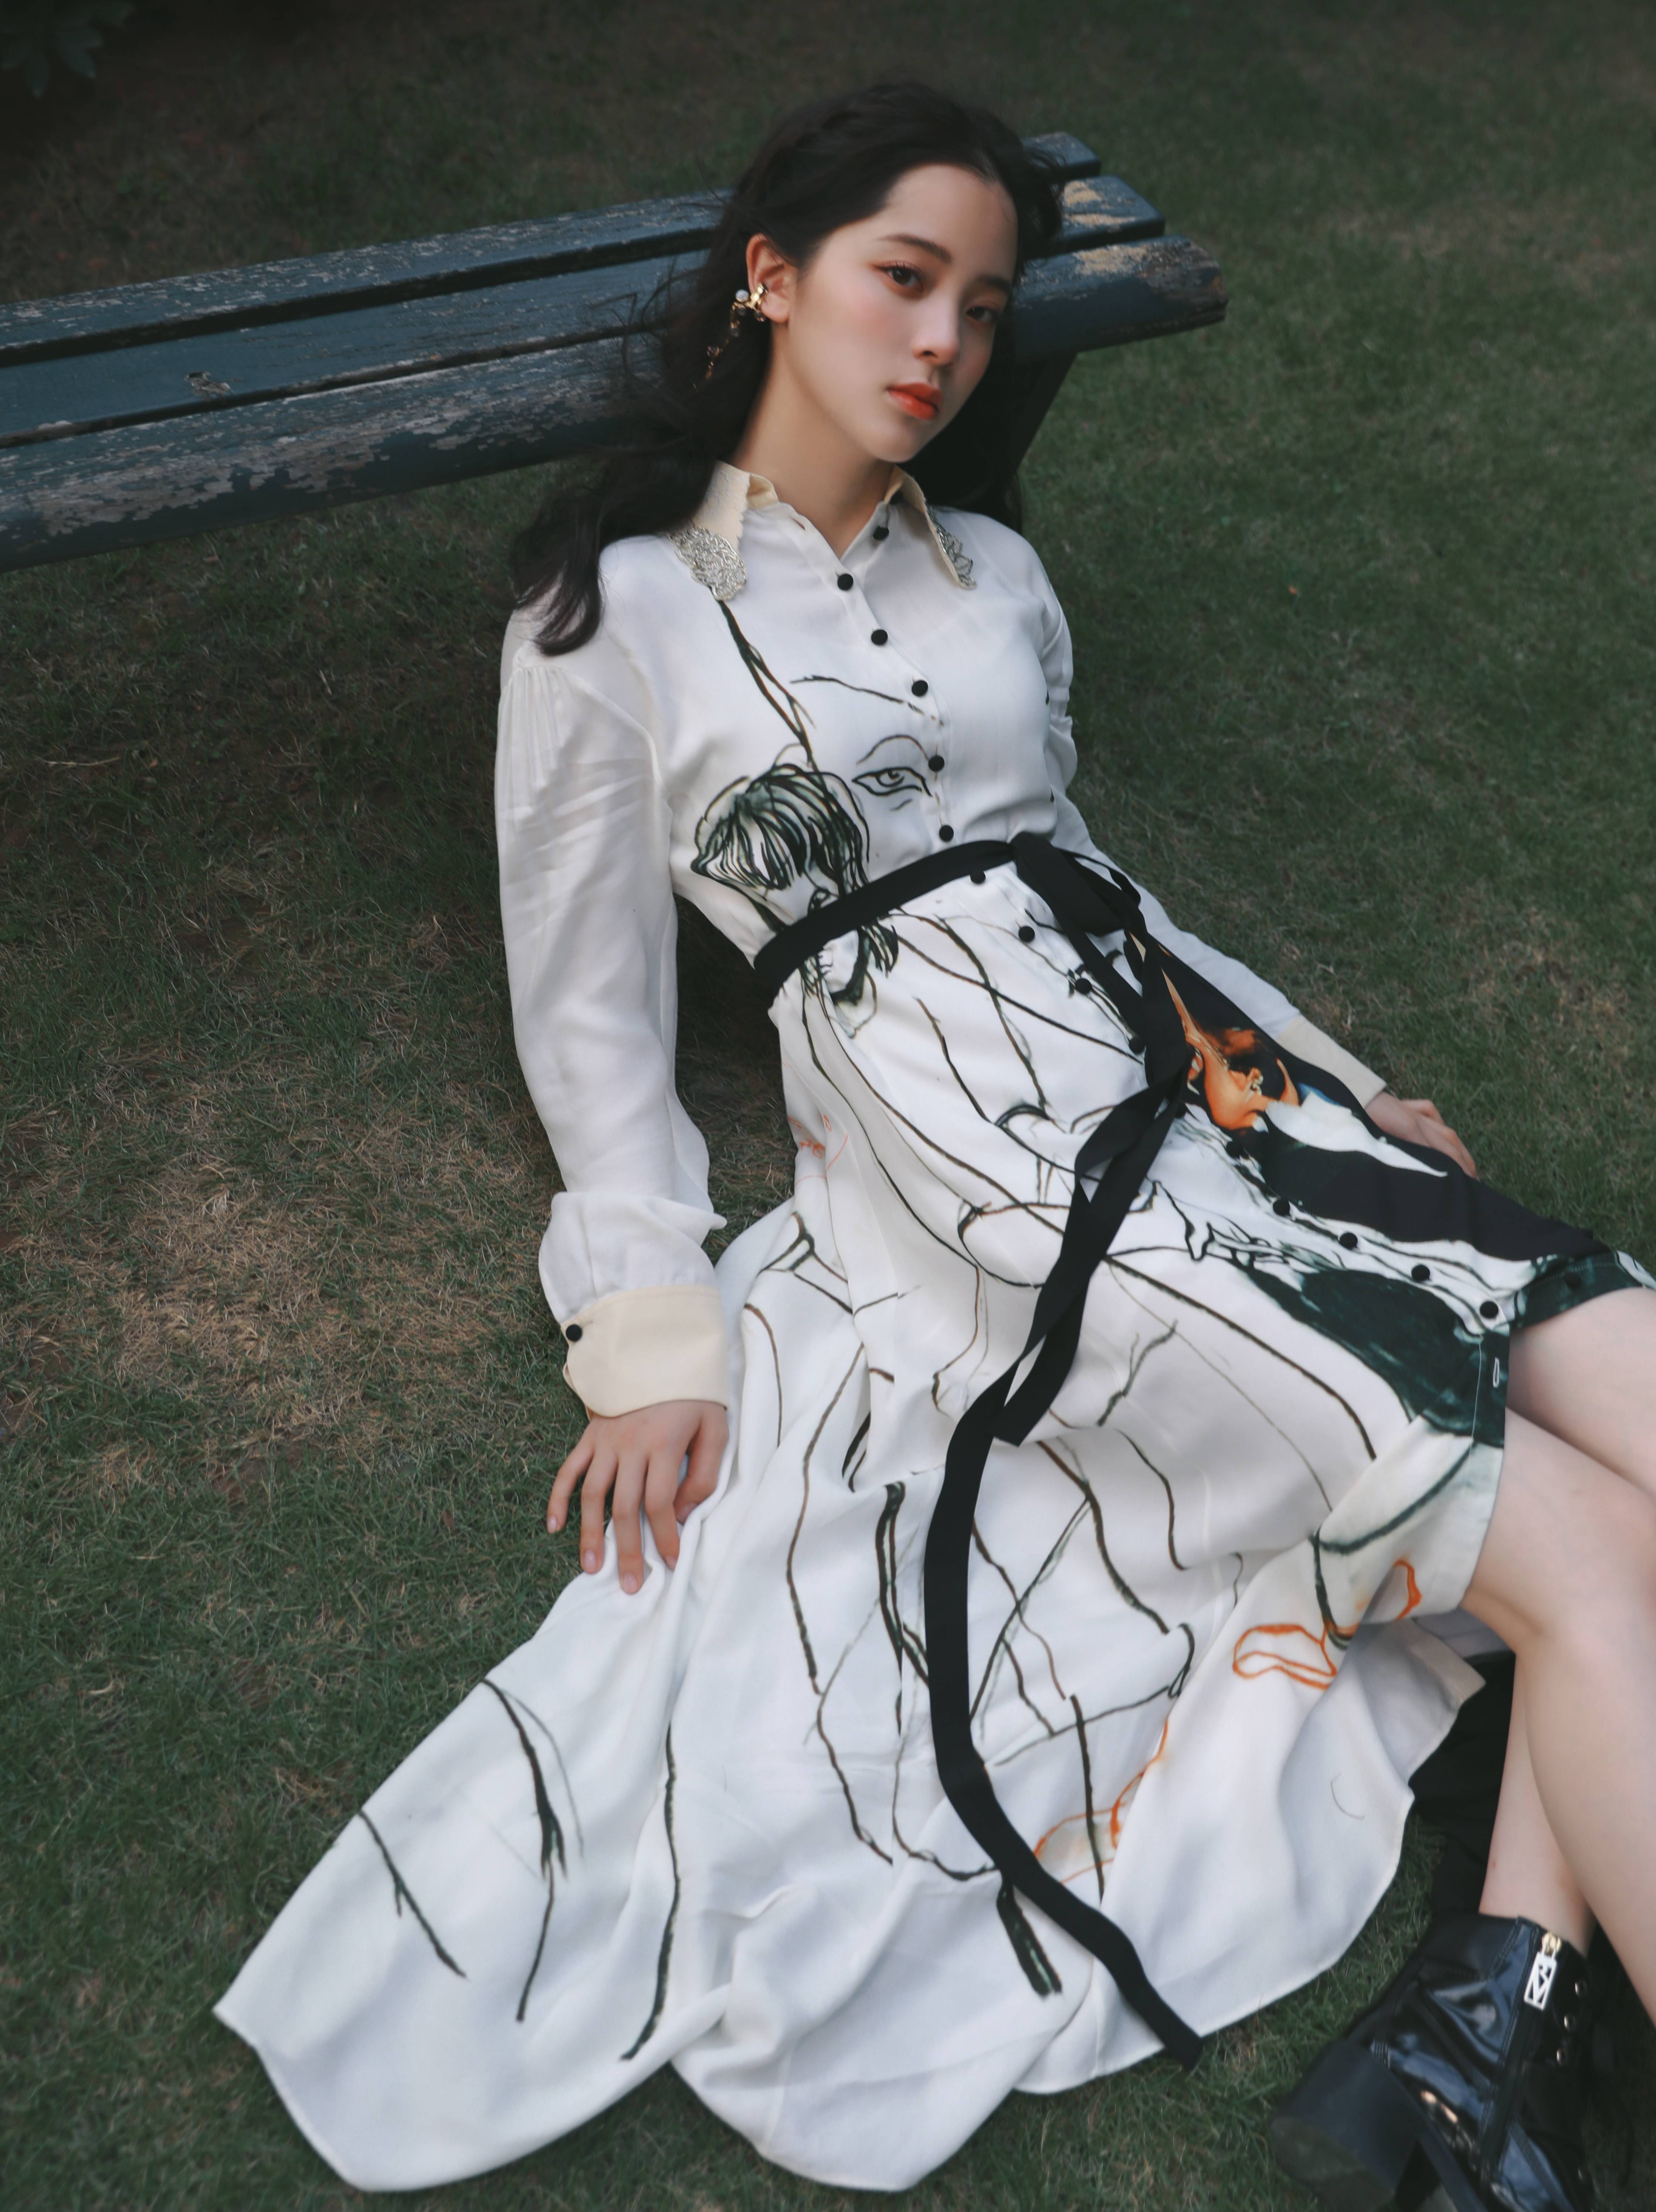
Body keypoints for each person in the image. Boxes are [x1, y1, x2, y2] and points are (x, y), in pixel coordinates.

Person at [215, 81, 1656, 2212]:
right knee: (1579, 1543)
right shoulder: (611, 624)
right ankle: (1493, 2018)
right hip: (983, 1167)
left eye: (981, 307)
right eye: (904, 279)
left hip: (1207, 1091)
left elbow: (1084, 870)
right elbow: (593, 1028)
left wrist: (1322, 1075)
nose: (944, 343)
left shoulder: (996, 573)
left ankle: (1481, 2025)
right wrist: (652, 1335)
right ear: (772, 275)